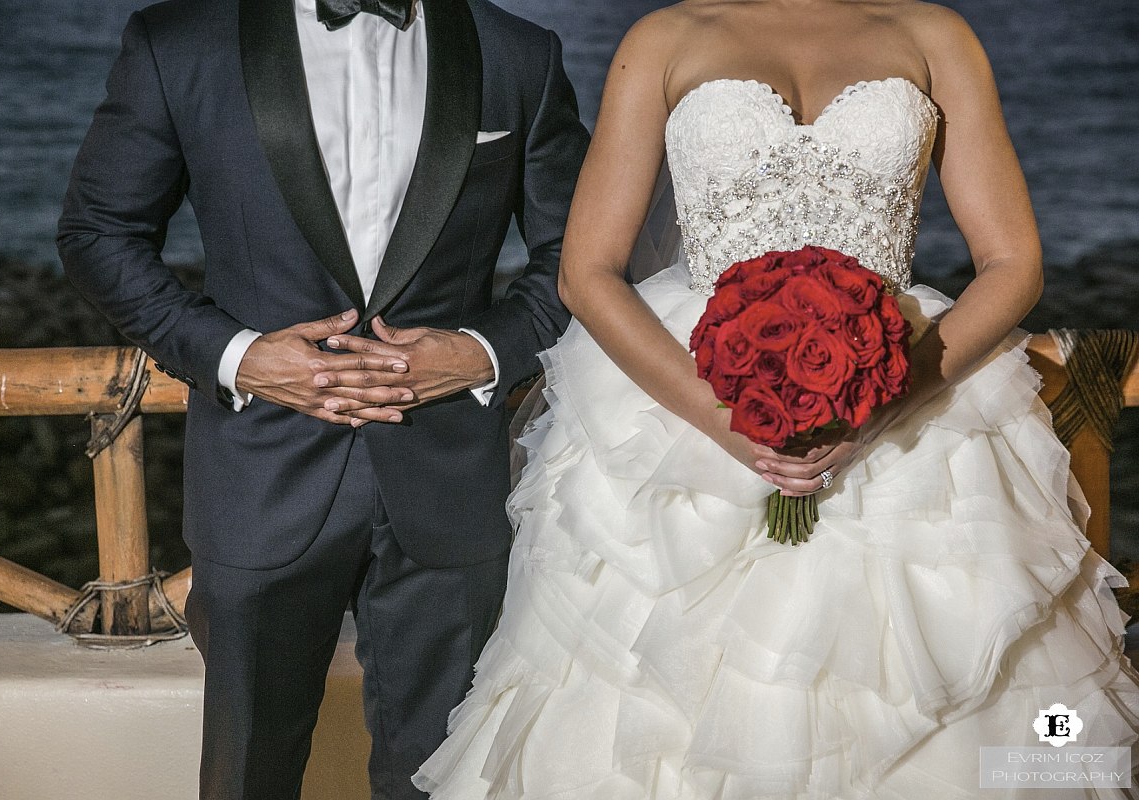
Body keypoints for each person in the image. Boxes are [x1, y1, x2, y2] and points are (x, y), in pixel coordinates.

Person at [412, 0, 1139, 796]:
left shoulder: (933, 34)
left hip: (901, 395)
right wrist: (727, 424)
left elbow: (1012, 261)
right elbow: (586, 271)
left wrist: (884, 401)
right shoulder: (666, 38)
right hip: (687, 410)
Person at [57, 0, 589, 797]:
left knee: (441, 779)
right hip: (259, 470)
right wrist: (240, 357)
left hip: (448, 477)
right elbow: (99, 232)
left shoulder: (518, 53)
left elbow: (580, 257)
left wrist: (480, 351)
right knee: (248, 775)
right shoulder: (179, 42)